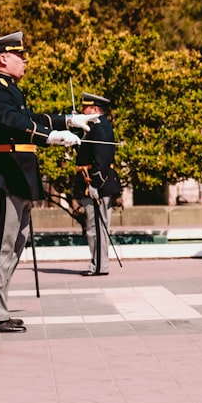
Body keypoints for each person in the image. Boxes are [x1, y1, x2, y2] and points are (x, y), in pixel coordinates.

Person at [0, 31, 97, 333]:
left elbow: (30, 116)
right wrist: (50, 137)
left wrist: (67, 120)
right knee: (1, 245)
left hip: (16, 177)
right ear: (2, 59)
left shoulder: (9, 90)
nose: (25, 60)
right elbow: (12, 121)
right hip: (2, 175)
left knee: (14, 245)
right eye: (19, 55)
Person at [71, 92, 122, 276]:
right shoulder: (93, 127)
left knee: (97, 228)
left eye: (86, 107)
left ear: (94, 109)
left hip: (97, 184)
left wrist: (95, 184)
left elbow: (103, 157)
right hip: (92, 182)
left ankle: (99, 266)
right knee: (94, 227)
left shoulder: (100, 127)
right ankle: (98, 264)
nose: (83, 110)